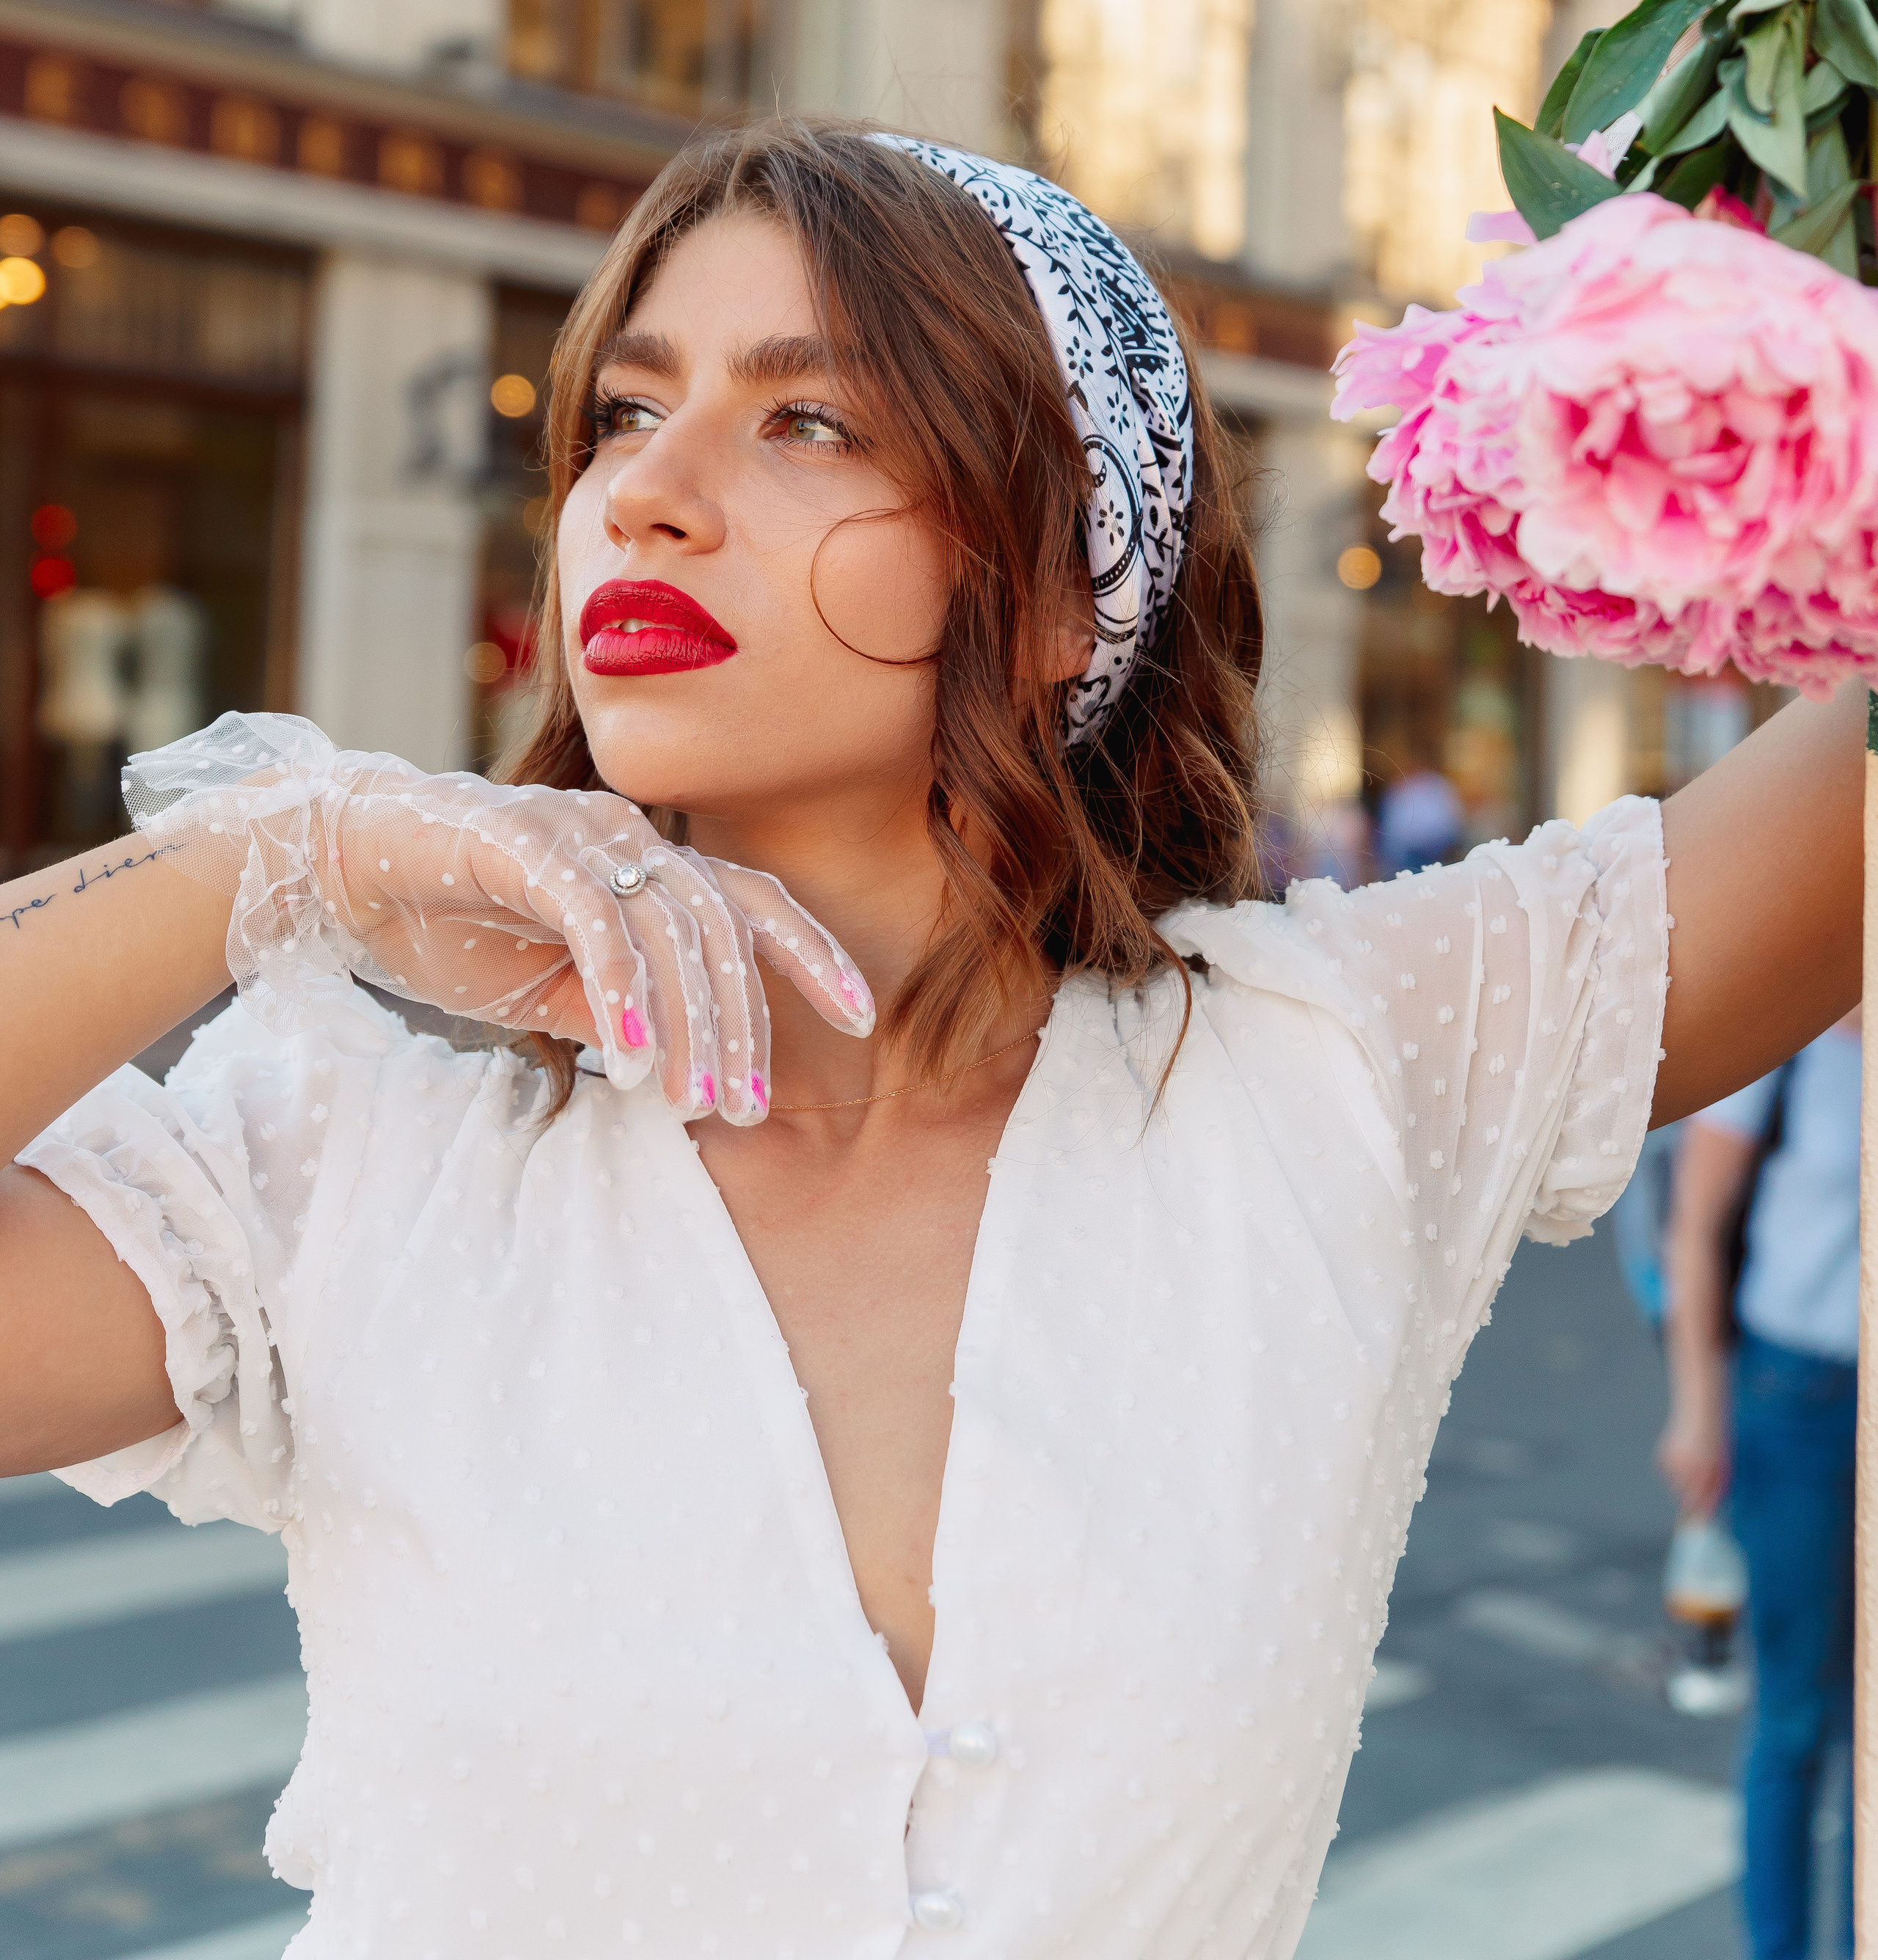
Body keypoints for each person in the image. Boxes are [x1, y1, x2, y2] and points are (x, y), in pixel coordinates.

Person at [0, 111, 1866, 1956]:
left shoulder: (1343, 1071)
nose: (643, 492)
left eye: (806, 417)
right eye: (626, 415)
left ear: (1067, 585)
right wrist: (266, 857)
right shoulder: (345, 1151)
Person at [1659, 1014, 1862, 1960]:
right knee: (1795, 1716)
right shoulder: (1791, 1039)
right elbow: (1695, 1225)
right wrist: (1699, 1408)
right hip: (1800, 1400)